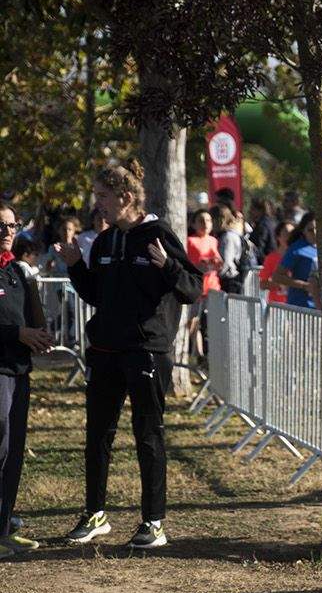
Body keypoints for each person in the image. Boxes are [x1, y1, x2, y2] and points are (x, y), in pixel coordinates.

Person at [60, 160, 204, 549]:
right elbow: (96, 294)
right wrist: (75, 268)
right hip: (105, 350)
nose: (98, 205)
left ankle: (153, 522)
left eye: (103, 197)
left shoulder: (157, 234)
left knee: (148, 436)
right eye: (97, 198)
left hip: (146, 352)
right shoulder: (105, 242)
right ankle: (95, 515)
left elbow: (192, 288)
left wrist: (169, 265)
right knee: (97, 436)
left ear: (125, 197)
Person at [0, 204, 51, 557]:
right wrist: (17, 333)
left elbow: (34, 318)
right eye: (1, 225)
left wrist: (36, 336)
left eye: (13, 224)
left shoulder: (17, 271)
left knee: (13, 450)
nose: (8, 231)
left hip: (19, 371)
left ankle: (3, 527)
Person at [185, 210, 223, 361]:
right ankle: (198, 354)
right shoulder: (189, 240)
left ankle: (213, 355)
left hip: (213, 288)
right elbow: (187, 264)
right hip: (197, 288)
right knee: (193, 321)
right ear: (193, 223)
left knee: (214, 322)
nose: (205, 224)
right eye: (201, 220)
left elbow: (219, 261)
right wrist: (198, 265)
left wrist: (217, 263)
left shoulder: (213, 240)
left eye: (208, 220)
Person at [269, 214, 319, 308]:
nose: (315, 232)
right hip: (301, 306)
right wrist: (304, 286)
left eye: (317, 228)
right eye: (310, 230)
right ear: (303, 231)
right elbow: (277, 276)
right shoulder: (296, 249)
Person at [259, 221, 295, 305]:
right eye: (286, 234)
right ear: (278, 237)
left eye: (292, 234)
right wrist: (279, 284)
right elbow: (262, 284)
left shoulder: (300, 256)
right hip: (277, 309)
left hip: (295, 307)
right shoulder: (271, 258)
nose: (289, 237)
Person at [216, 206, 247, 295]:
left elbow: (227, 260)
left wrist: (218, 274)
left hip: (229, 280)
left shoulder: (228, 237)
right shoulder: (227, 235)